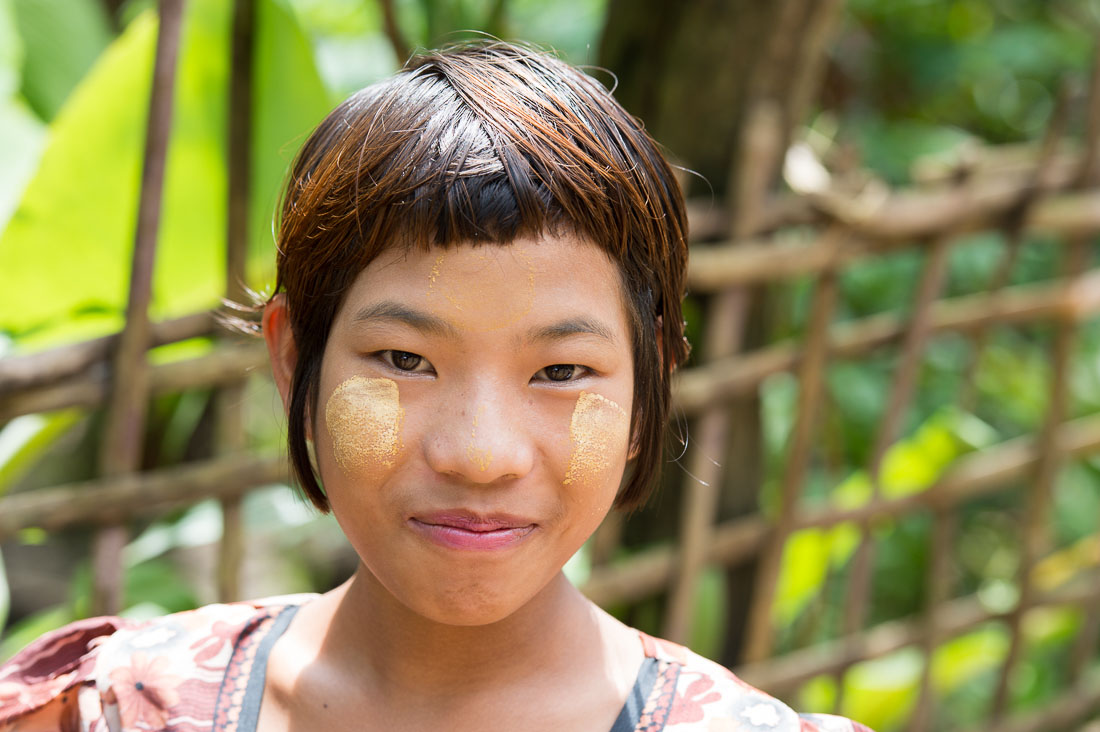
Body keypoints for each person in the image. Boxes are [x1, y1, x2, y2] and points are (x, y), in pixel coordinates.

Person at [0, 42, 872, 732]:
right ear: (294, 360)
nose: (479, 453)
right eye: (406, 361)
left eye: (561, 372)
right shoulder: (110, 710)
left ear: (648, 386)